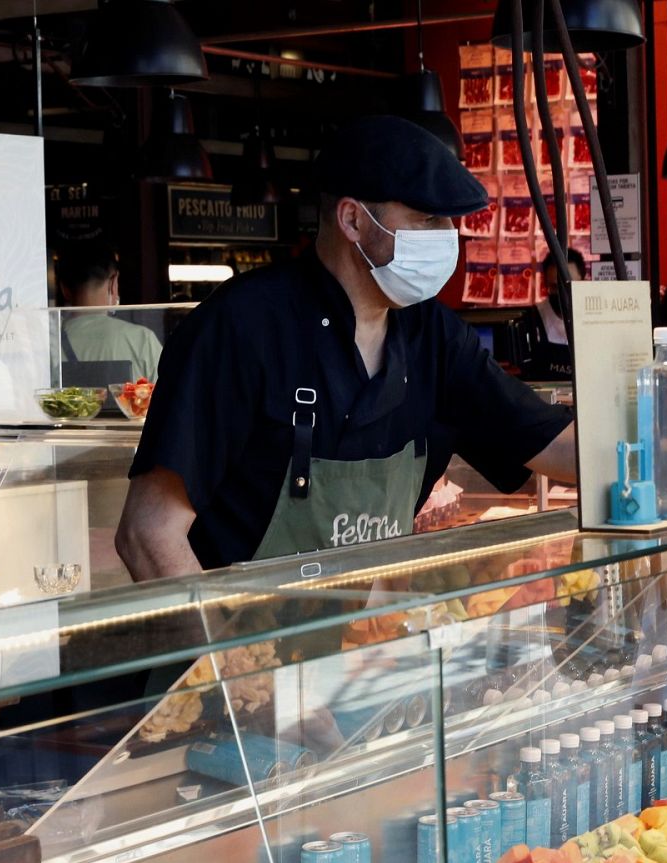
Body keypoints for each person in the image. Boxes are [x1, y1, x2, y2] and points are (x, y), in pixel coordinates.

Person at [116, 116, 576, 579]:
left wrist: (645, 442)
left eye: (450, 222)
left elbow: (554, 446)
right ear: (353, 219)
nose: (447, 236)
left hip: (363, 642)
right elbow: (148, 533)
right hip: (242, 638)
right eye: (428, 218)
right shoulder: (242, 327)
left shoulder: (432, 334)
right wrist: (221, 652)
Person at [54, 241, 163, 382]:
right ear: (113, 283)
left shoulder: (50, 344)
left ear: (64, 289)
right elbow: (171, 396)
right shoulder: (142, 340)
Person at [519, 247, 585, 379]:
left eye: (568, 286)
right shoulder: (532, 319)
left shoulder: (596, 319)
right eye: (555, 287)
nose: (562, 293)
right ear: (546, 284)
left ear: (583, 280)